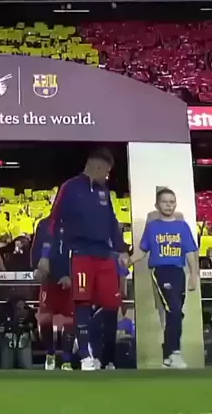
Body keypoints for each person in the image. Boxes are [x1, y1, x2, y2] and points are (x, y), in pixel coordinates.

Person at [49, 147, 128, 371]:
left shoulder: (104, 191)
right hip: (80, 253)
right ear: (97, 166)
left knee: (111, 305)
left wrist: (121, 249)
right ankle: (85, 356)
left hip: (105, 255)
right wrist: (60, 266)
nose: (108, 176)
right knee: (82, 303)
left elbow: (112, 222)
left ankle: (107, 358)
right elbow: (56, 223)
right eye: (107, 171)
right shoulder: (70, 188)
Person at [129, 187, 199, 369]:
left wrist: (193, 275)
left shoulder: (182, 226)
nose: (169, 205)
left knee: (176, 313)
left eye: (172, 202)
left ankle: (168, 355)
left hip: (178, 272)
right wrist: (127, 261)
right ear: (157, 205)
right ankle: (174, 352)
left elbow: (190, 252)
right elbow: (142, 251)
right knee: (174, 309)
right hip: (160, 271)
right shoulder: (152, 227)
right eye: (165, 202)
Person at [33, 216, 74, 371]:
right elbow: (36, 248)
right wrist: (35, 268)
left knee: (70, 320)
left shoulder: (75, 223)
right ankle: (50, 355)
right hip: (48, 280)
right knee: (45, 318)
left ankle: (66, 359)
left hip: (67, 281)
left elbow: (78, 252)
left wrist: (71, 275)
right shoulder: (44, 224)